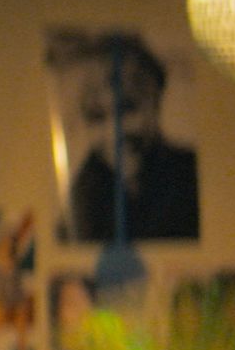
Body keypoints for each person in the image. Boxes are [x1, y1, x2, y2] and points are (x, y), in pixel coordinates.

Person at [46, 29, 199, 241]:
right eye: (96, 116)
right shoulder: (82, 199)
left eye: (127, 108)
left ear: (155, 100)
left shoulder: (188, 177)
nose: (115, 132)